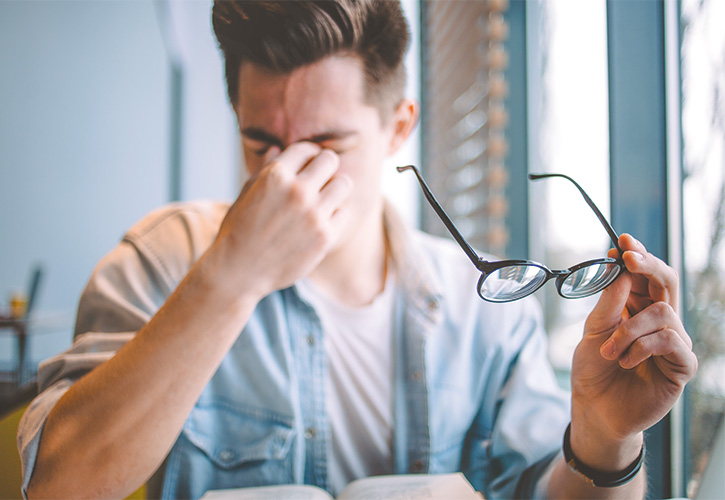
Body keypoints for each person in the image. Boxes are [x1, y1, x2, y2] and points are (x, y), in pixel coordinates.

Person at [18, 1, 697, 499]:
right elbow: (56, 485)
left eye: (326, 147)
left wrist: (606, 437)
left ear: (397, 127)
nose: (286, 180)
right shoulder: (159, 261)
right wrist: (230, 278)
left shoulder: (484, 309)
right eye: (262, 145)